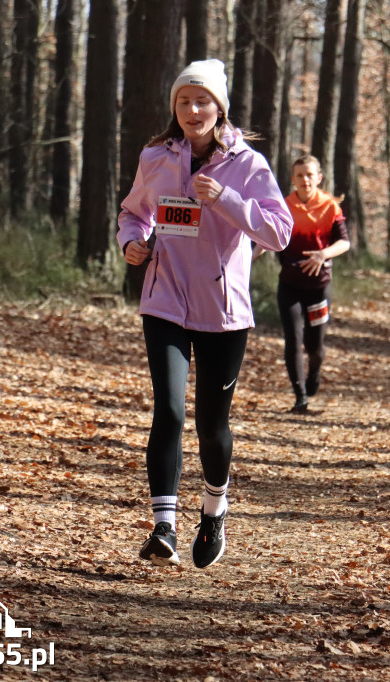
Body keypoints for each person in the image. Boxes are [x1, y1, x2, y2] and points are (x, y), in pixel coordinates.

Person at [117, 59, 292, 569]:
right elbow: (134, 212)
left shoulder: (247, 165)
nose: (193, 110)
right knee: (169, 410)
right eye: (184, 102)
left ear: (219, 108)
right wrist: (133, 242)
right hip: (165, 300)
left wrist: (228, 201)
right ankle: (164, 526)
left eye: (203, 101)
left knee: (212, 426)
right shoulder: (156, 157)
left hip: (223, 311)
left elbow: (278, 233)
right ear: (175, 108)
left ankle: (214, 509)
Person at [270, 155, 350, 414]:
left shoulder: (330, 206)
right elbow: (269, 240)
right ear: (293, 179)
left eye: (309, 174)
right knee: (293, 339)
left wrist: (323, 254)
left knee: (315, 345)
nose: (305, 179)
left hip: (319, 288)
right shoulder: (283, 206)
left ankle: (314, 369)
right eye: (300, 175)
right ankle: (300, 397)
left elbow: (344, 242)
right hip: (290, 286)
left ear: (319, 178)